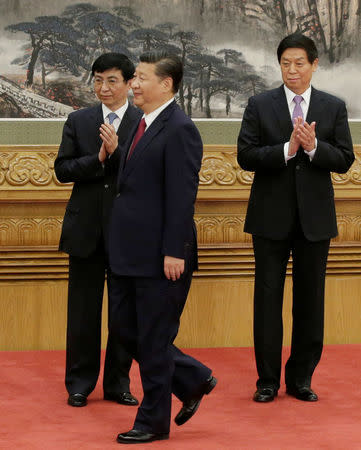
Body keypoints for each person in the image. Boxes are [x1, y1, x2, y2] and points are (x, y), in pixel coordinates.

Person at [237, 33, 354, 403]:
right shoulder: (260, 104)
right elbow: (245, 155)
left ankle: (301, 378)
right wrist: (286, 150)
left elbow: (345, 159)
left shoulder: (332, 107)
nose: (292, 69)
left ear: (314, 64)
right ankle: (267, 381)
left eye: (299, 63)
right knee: (268, 299)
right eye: (286, 63)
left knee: (310, 300)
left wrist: (315, 147)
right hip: (269, 218)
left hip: (315, 220)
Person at [108, 51, 217, 444]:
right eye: (134, 77)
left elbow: (181, 196)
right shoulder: (138, 122)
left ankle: (153, 421)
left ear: (166, 84)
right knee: (123, 330)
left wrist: (176, 250)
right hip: (127, 253)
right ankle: (192, 377)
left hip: (160, 256)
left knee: (154, 340)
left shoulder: (180, 128)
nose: (132, 84)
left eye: (140, 78)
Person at [54, 53, 141, 408]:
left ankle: (118, 383)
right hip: (86, 229)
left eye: (111, 81)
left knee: (124, 315)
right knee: (82, 313)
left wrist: (118, 154)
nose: (103, 88)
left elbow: (146, 173)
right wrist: (99, 159)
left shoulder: (142, 121)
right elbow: (62, 169)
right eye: (98, 80)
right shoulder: (79, 120)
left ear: (129, 83)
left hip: (128, 232)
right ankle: (79, 383)